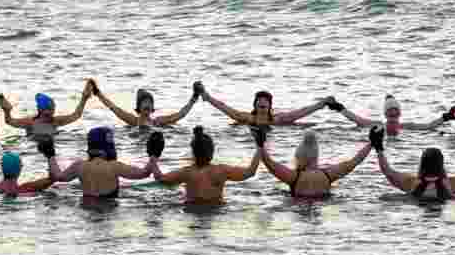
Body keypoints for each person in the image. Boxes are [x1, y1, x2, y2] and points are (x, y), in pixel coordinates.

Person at [369, 125, 455, 200]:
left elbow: (388, 172)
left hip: (413, 204)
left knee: (386, 198)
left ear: (422, 163)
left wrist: (378, 147)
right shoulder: (451, 183)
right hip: (446, 205)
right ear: (441, 164)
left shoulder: (411, 182)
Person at [150, 126, 261, 204]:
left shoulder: (187, 172)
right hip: (217, 209)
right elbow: (250, 172)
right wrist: (260, 146)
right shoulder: (221, 171)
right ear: (212, 152)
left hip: (191, 208)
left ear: (193, 153)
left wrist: (154, 155)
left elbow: (160, 178)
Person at [45, 127, 163, 198]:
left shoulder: (79, 166)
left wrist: (50, 155)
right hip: (108, 208)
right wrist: (154, 154)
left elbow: (57, 176)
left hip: (85, 209)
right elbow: (144, 173)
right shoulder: (114, 166)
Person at [257, 127, 371, 197]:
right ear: (316, 156)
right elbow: (355, 161)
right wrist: (372, 143)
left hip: (298, 208)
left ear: (299, 157)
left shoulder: (293, 177)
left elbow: (269, 163)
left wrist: (260, 144)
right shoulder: (328, 175)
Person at [197, 81, 326, 127]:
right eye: (259, 100)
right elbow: (226, 108)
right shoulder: (248, 118)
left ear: (270, 106)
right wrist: (208, 97)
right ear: (255, 105)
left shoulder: (278, 119)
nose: (262, 102)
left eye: (265, 100)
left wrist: (321, 103)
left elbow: (301, 112)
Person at [329, 94, 455, 136]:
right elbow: (356, 119)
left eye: (395, 111)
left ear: (399, 114)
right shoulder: (377, 125)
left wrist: (445, 117)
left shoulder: (408, 126)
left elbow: (428, 126)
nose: (393, 113)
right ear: (385, 114)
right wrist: (339, 108)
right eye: (390, 111)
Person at [1, 82, 92, 139]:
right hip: (33, 149)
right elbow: (9, 121)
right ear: (40, 109)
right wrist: (7, 111)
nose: (51, 112)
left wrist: (84, 98)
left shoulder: (56, 121)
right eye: (48, 109)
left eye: (53, 109)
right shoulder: (30, 122)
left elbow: (76, 115)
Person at [93, 79, 199, 127]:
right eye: (144, 102)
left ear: (153, 107)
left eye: (150, 102)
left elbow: (180, 114)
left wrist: (194, 98)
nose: (147, 104)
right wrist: (98, 93)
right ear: (139, 107)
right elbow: (114, 108)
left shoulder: (158, 122)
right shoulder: (134, 121)